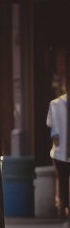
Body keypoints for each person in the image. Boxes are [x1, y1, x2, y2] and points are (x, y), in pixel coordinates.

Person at [47, 82, 69, 220]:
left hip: (59, 151)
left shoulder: (54, 104)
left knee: (62, 180)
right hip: (61, 151)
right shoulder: (54, 104)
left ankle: (63, 206)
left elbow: (49, 123)